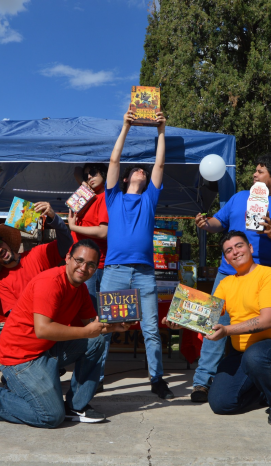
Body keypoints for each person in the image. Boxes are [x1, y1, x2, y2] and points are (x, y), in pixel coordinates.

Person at [0, 239, 130, 427]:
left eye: (91, 265)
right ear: (68, 258)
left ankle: (76, 406)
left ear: (96, 269)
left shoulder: (80, 289)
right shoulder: (50, 282)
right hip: (19, 358)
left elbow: (92, 326)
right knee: (51, 416)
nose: (84, 268)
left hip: (45, 349)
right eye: (79, 261)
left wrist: (115, 327)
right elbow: (43, 329)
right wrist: (86, 331)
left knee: (97, 340)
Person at [190, 154, 271, 402]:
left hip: (265, 276)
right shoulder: (239, 197)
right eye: (255, 170)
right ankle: (202, 381)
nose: (254, 174)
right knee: (211, 323)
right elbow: (218, 222)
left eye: (260, 171)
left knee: (269, 331)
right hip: (228, 275)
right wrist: (206, 223)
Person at [164, 231, 271, 425]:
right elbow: (207, 316)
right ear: (226, 260)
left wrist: (227, 331)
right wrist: (181, 321)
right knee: (220, 403)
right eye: (228, 250)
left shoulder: (270, 275)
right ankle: (264, 389)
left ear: (250, 248)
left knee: (256, 356)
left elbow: (267, 321)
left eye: (239, 246)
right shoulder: (226, 283)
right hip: (243, 354)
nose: (235, 252)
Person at [97, 109, 173, 399]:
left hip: (143, 273)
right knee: (106, 327)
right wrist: (126, 126)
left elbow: (160, 162)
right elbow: (114, 161)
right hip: (114, 271)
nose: (143, 171)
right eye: (137, 170)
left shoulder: (149, 199)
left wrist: (161, 130)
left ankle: (157, 379)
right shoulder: (113, 196)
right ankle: (96, 377)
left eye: (144, 170)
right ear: (127, 178)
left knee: (151, 329)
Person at [0, 202, 73, 316]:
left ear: (5, 241)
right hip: (36, 325)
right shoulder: (1, 282)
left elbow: (67, 245)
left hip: (62, 318)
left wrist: (54, 218)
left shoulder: (37, 254)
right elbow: (15, 314)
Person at [68, 163, 109, 310]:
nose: (90, 176)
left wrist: (73, 227)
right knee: (79, 307)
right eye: (87, 175)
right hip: (78, 259)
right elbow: (76, 170)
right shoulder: (89, 194)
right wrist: (84, 183)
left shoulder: (105, 197)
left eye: (93, 172)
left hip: (92, 264)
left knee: (90, 310)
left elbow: (104, 232)